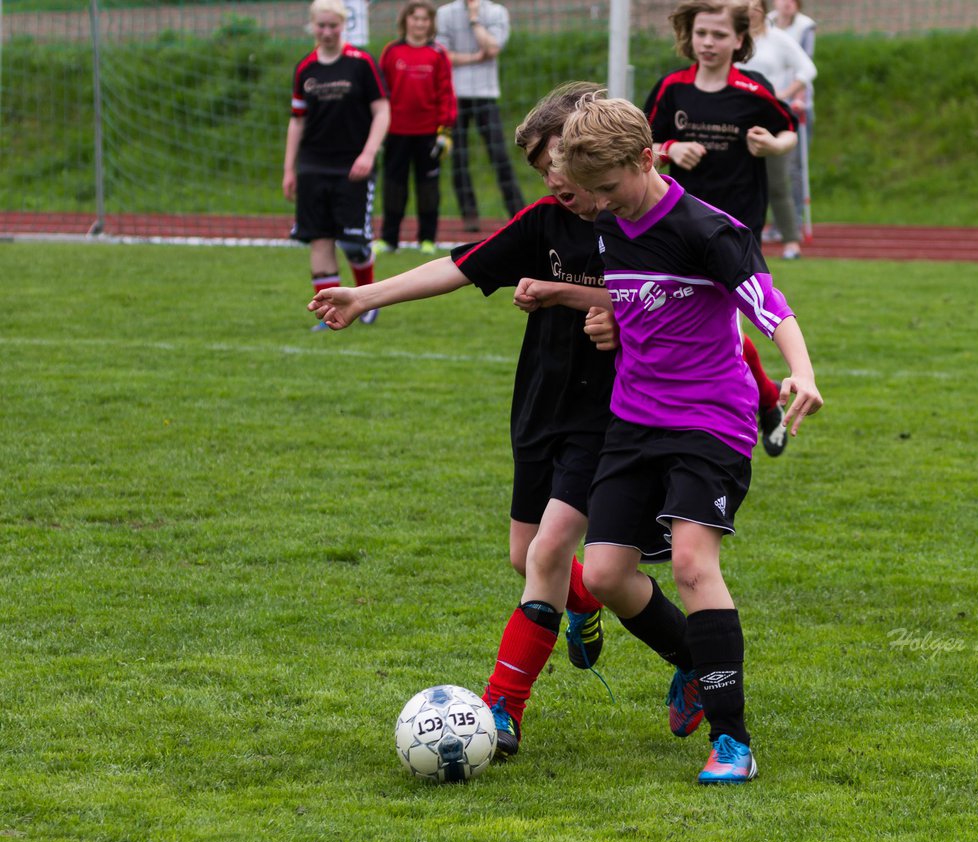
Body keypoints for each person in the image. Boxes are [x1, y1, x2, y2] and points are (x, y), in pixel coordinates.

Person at [309, 82, 622, 763]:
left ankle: (502, 710)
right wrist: (366, 294)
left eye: (560, 164)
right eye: (543, 170)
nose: (554, 180)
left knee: (545, 553)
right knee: (527, 557)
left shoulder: (635, 218)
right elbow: (456, 267)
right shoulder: (543, 222)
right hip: (539, 401)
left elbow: (666, 297)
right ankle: (588, 606)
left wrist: (579, 298)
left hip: (606, 411)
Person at [556, 96, 824, 784]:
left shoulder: (708, 228)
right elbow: (638, 298)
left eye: (609, 189)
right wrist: (605, 319)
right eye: (592, 194)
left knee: (691, 564)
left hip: (710, 420)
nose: (602, 204)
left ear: (647, 159)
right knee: (608, 574)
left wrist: (801, 371)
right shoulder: (608, 220)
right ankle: (696, 667)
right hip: (634, 420)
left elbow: (770, 304)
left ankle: (734, 742)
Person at [643, 0, 799, 457]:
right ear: (688, 37)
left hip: (737, 228)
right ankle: (765, 401)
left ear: (738, 39)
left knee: (723, 323)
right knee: (708, 327)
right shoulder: (671, 89)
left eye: (718, 35)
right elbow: (641, 143)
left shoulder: (754, 90)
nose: (708, 43)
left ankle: (721, 422)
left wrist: (772, 145)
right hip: (677, 224)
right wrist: (670, 147)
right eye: (701, 34)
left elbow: (788, 131)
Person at [283, 0, 390, 331]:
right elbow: (297, 121)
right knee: (319, 239)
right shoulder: (305, 69)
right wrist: (290, 169)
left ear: (344, 25)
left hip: (353, 166)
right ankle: (328, 314)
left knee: (354, 243)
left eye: (333, 26)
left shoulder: (362, 64)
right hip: (313, 166)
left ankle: (367, 300)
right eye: (321, 26)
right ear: (312, 26)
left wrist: (368, 153)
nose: (327, 32)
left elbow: (382, 111)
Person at [373, 0, 457, 256]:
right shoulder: (391, 52)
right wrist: (377, 132)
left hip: (428, 134)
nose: (419, 23)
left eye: (424, 19)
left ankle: (427, 239)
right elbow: (380, 93)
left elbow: (446, 93)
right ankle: (389, 240)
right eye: (414, 18)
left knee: (428, 188)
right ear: (405, 21)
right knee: (394, 187)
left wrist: (445, 131)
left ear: (430, 23)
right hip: (396, 132)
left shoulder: (438, 53)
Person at [435, 0, 525, 231]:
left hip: (485, 94)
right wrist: (476, 57)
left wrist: (474, 19)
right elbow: (443, 55)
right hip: (455, 95)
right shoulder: (444, 13)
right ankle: (470, 217)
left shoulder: (496, 12)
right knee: (459, 159)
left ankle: (518, 212)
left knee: (499, 154)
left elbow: (493, 48)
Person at [740, 0, 815, 261]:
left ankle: (791, 240)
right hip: (735, 116)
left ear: (762, 10)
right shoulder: (733, 38)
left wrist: (782, 95)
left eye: (754, 7)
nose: (750, 13)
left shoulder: (777, 39)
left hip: (770, 118)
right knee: (735, 181)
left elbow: (808, 69)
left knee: (776, 181)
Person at [768, 0, 816, 241]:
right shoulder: (766, 22)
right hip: (769, 106)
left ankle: (792, 222)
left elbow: (804, 65)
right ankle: (773, 223)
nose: (786, 4)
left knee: (793, 167)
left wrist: (795, 97)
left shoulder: (805, 27)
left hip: (794, 106)